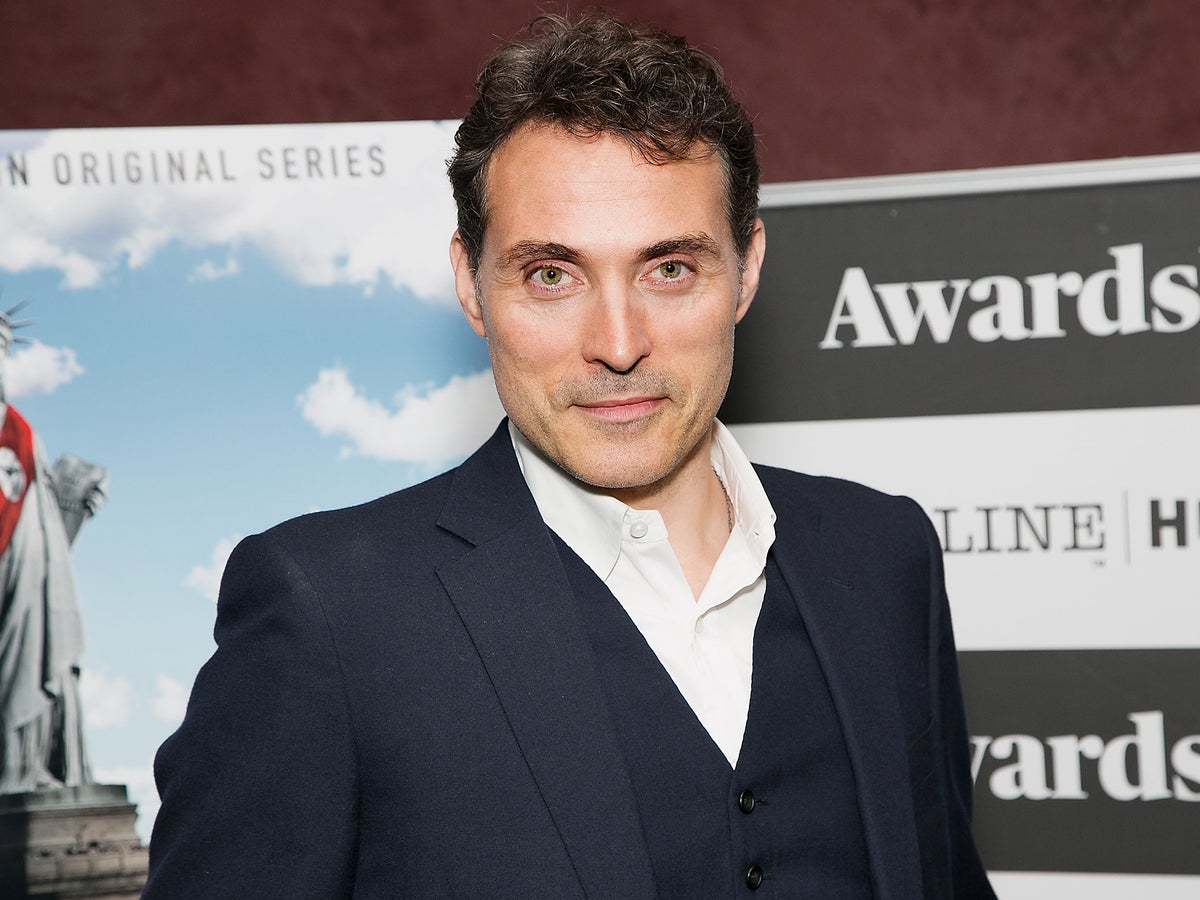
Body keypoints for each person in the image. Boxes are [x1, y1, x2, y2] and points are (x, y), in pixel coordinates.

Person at [145, 12, 997, 899]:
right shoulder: (326, 614)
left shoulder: (881, 554)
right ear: (471, 285)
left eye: (669, 269)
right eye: (552, 275)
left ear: (746, 269)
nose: (618, 344)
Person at [0, 309, 107, 794]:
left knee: (44, 662)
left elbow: (42, 534)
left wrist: (74, 503)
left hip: (33, 582)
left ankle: (30, 766)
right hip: (8, 583)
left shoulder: (23, 435)